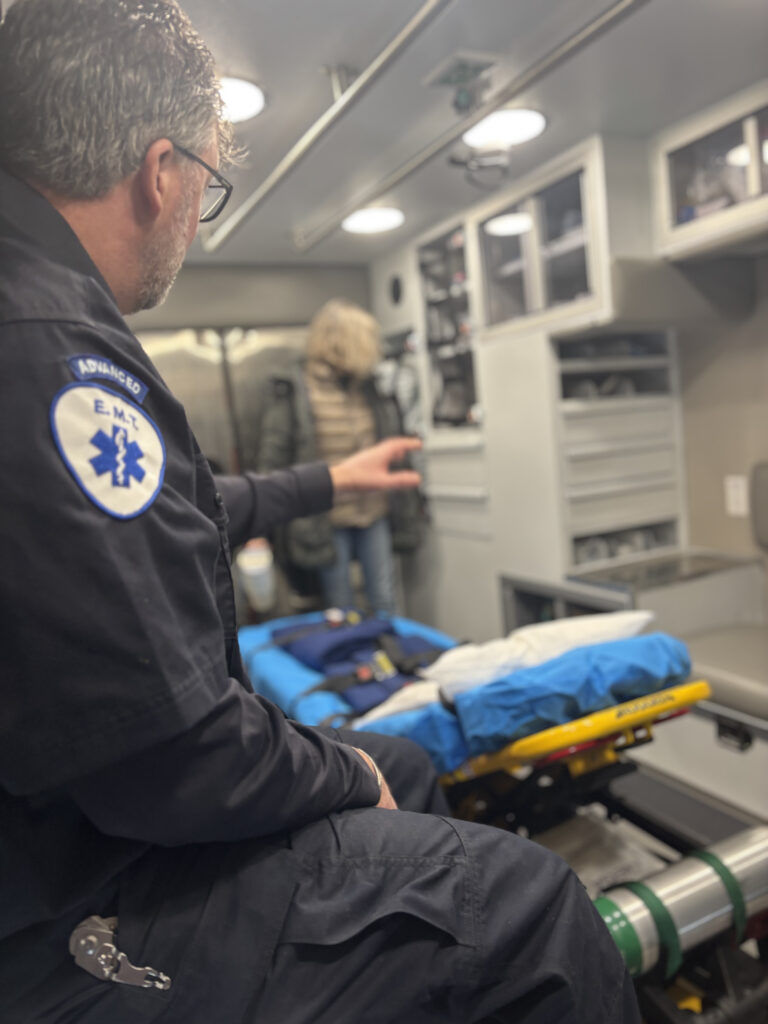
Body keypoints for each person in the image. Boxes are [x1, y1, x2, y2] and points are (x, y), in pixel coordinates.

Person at [0, 2, 641, 1023]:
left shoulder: (35, 307)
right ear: (159, 172)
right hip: (66, 900)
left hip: (73, 827)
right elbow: (168, 757)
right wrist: (332, 771)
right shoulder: (50, 349)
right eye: (208, 184)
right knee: (530, 908)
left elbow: (185, 504)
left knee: (405, 763)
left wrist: (339, 482)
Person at [251, 300, 422, 615]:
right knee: (340, 605)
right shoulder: (295, 389)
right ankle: (350, 658)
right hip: (324, 516)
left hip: (373, 510)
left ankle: (392, 657)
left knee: (384, 597)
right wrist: (259, 530)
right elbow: (272, 457)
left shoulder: (368, 388)